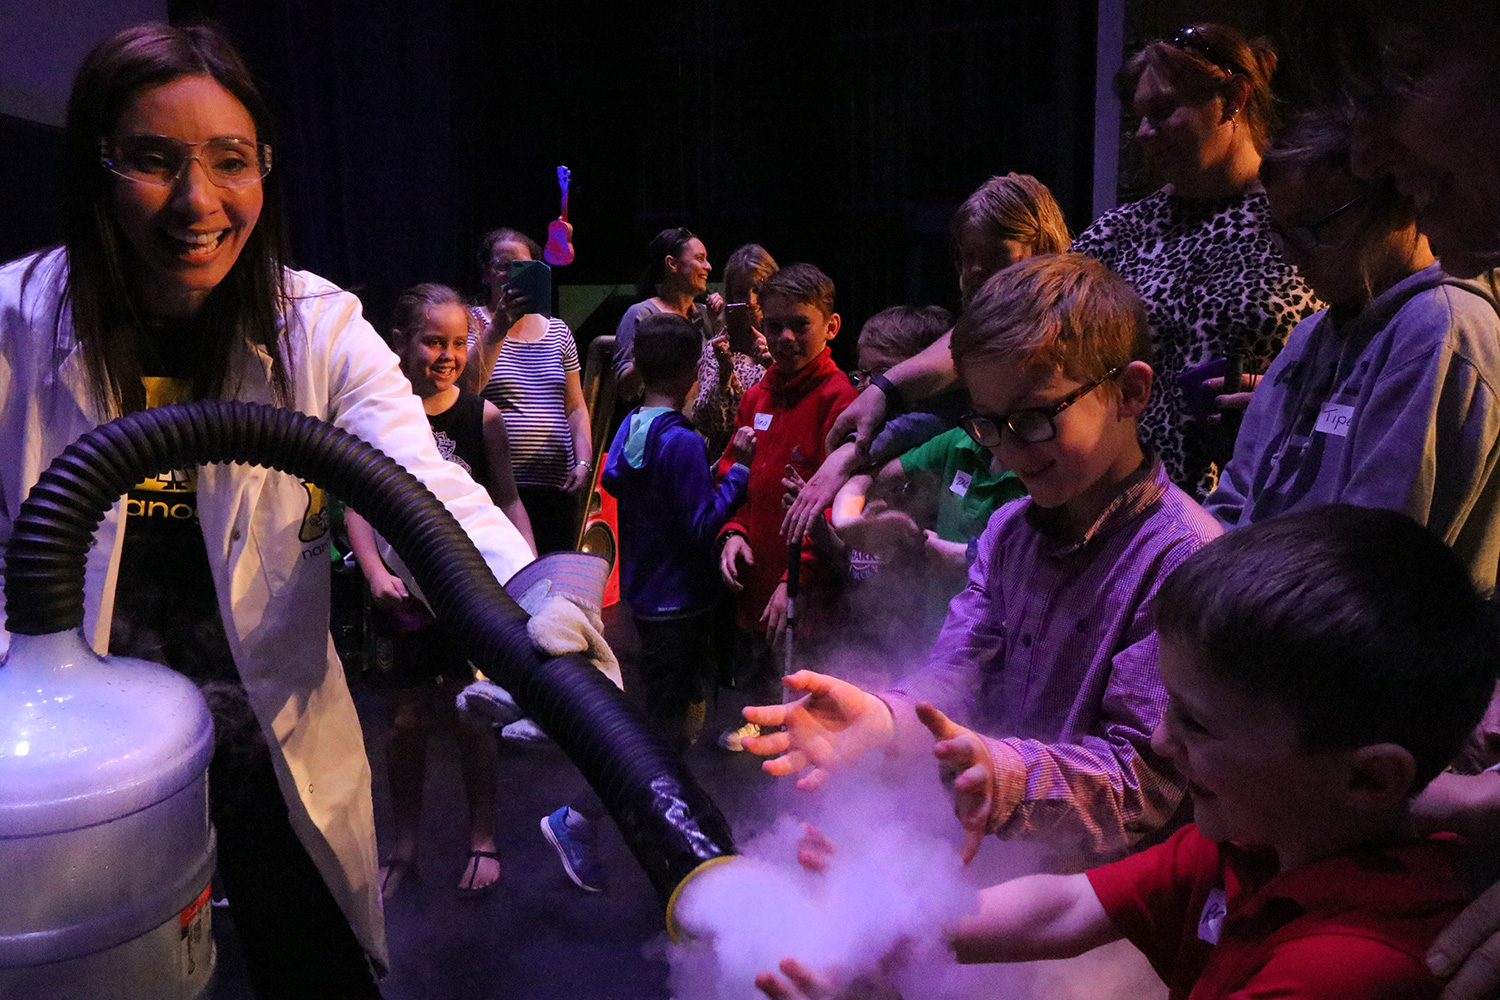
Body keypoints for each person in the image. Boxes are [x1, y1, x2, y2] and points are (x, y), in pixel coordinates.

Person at [0, 24, 538, 994]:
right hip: (79, 765)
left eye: (229, 160)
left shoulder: (317, 328)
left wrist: (537, 611)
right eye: (155, 160)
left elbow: (425, 485)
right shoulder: (17, 320)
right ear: (97, 166)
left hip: (270, 733)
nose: (197, 201)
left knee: (315, 966)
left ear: (267, 171)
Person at [759, 506, 1497, 1000]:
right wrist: (887, 919)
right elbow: (1066, 906)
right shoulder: (1258, 842)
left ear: (1368, 776)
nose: (1160, 739)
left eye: (1200, 725)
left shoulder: (1343, 969)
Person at [744, 255, 1222, 861]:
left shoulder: (1186, 562)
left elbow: (1144, 782)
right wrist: (888, 718)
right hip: (1008, 866)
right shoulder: (1007, 532)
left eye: (1033, 418)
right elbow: (961, 669)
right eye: (989, 425)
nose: (1010, 452)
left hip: (1110, 911)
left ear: (1129, 392)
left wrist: (1000, 774)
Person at [828, 31, 1323, 498]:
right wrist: (887, 389)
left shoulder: (1307, 218)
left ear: (1233, 99)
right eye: (1138, 119)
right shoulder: (1124, 230)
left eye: (1163, 111)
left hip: (1263, 502)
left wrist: (1298, 399)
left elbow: (1367, 352)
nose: (1145, 134)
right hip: (1126, 510)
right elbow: (1011, 324)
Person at [1280, 5, 1500, 995]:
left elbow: (1373, 550)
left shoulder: (1444, 322)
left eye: (1397, 74)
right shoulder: (1315, 336)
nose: (1371, 146)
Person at [1204, 108, 1500, 591]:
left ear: (1396, 205)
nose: (1290, 254)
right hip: (1253, 628)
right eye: (1280, 232)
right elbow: (1238, 495)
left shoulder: (1441, 330)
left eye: (1310, 229)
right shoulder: (1312, 332)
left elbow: (1375, 563)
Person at [344, 283, 535, 900]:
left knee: (473, 713)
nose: (448, 354)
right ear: (399, 342)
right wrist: (374, 569)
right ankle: (404, 848)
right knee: (404, 721)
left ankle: (482, 837)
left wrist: (527, 575)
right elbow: (360, 501)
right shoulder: (380, 412)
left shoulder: (482, 415)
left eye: (459, 342)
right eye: (433, 341)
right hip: (404, 595)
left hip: (467, 592)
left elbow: (505, 499)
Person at [782, 172, 1069, 543]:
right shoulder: (961, 423)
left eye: (995, 252)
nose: (976, 270)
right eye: (968, 257)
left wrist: (856, 455)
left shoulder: (1062, 324)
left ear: (1042, 244)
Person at [716, 263, 858, 750]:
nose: (784, 337)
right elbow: (738, 481)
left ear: (830, 326)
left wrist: (796, 581)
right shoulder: (756, 394)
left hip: (807, 595)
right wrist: (733, 532)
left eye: (800, 324)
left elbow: (844, 513)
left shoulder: (840, 401)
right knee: (760, 704)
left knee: (809, 719)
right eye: (773, 325)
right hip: (758, 587)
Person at [602, 312, 756, 752]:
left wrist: (700, 478)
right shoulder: (683, 440)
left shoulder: (631, 425)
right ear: (694, 372)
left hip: (645, 594)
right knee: (667, 724)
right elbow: (702, 525)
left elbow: (627, 482)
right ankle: (603, 812)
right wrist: (739, 471)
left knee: (656, 702)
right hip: (682, 601)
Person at [461, 228, 593, 554]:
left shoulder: (558, 332)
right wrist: (498, 330)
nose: (509, 274)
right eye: (502, 266)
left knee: (553, 579)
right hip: (497, 486)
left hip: (556, 484)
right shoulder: (471, 324)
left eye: (520, 267)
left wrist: (584, 461)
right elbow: (468, 390)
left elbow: (575, 408)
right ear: (486, 273)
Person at [613, 226, 721, 402]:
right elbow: (625, 390)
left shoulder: (706, 315)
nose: (708, 267)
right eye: (700, 259)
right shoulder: (642, 314)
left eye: (706, 259)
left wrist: (719, 324)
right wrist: (648, 353)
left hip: (704, 425)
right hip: (662, 424)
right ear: (672, 264)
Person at [692, 242, 776, 458]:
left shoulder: (786, 343)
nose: (751, 300)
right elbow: (704, 421)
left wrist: (775, 366)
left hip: (776, 451)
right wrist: (725, 373)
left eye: (758, 290)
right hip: (727, 461)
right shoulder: (718, 348)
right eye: (740, 292)